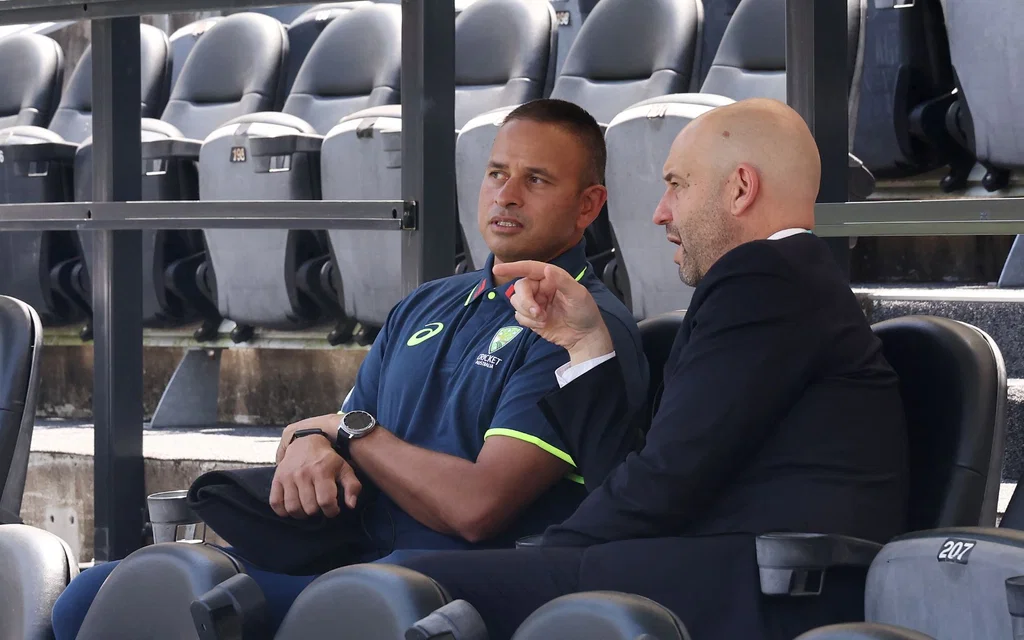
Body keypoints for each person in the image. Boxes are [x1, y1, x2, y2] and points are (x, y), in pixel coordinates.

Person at [50, 98, 649, 638]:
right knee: (89, 594)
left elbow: (475, 508)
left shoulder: (579, 325)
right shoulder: (427, 303)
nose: (506, 194)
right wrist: (314, 440)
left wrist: (347, 433)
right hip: (346, 553)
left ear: (587, 205)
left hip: (442, 585)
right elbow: (339, 433)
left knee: (169, 600)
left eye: (536, 179)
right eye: (497, 173)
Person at [396, 98, 911, 639]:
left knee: (410, 583)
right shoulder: (780, 282)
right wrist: (585, 344)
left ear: (740, 188)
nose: (660, 212)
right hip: (715, 570)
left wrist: (549, 550)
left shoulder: (764, 279)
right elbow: (643, 475)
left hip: (760, 589)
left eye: (677, 185)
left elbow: (665, 481)